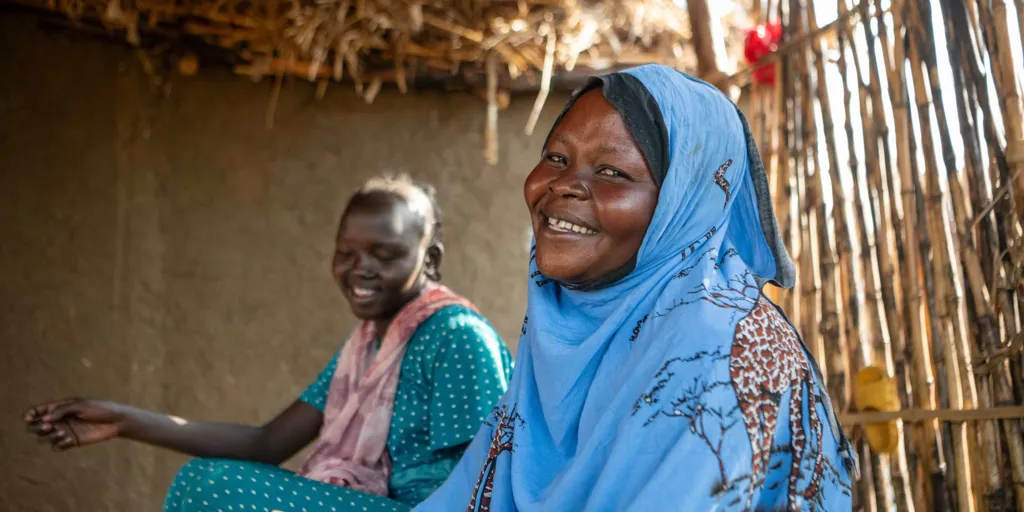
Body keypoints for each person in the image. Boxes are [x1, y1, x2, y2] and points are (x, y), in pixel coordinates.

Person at [417, 65, 857, 511]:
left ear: (680, 205)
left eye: (611, 171)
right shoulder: (571, 321)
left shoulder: (718, 351)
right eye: (556, 157)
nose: (565, 186)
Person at [24, 175, 514, 512]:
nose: (360, 269)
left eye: (384, 254)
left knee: (209, 487)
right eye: (346, 253)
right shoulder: (367, 347)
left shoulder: (455, 337)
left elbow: (489, 482)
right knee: (205, 479)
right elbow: (266, 443)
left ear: (429, 260)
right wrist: (124, 420)